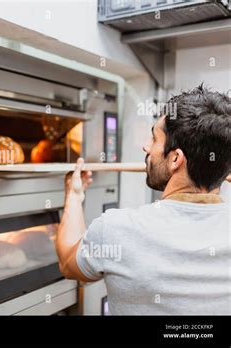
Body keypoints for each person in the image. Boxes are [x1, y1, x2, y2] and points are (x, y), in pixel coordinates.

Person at [55, 85, 230, 315]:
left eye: (155, 139)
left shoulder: (118, 229)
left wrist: (74, 196)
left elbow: (68, 263)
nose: (146, 147)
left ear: (175, 158)